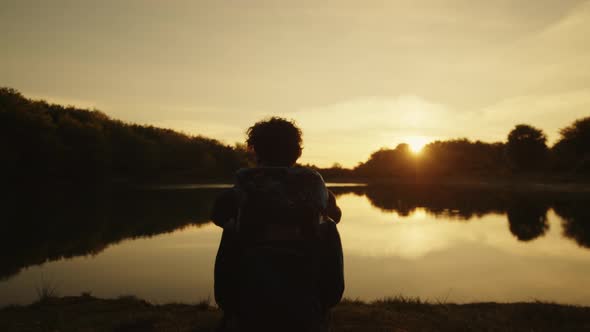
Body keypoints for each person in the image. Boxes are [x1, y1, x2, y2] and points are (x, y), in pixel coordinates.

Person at [211, 117, 344, 332]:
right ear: (297, 152)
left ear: (255, 151)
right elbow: (336, 216)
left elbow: (217, 215)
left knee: (231, 228)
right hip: (307, 305)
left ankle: (232, 313)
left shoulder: (239, 192)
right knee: (328, 227)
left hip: (247, 303)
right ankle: (321, 310)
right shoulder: (317, 189)